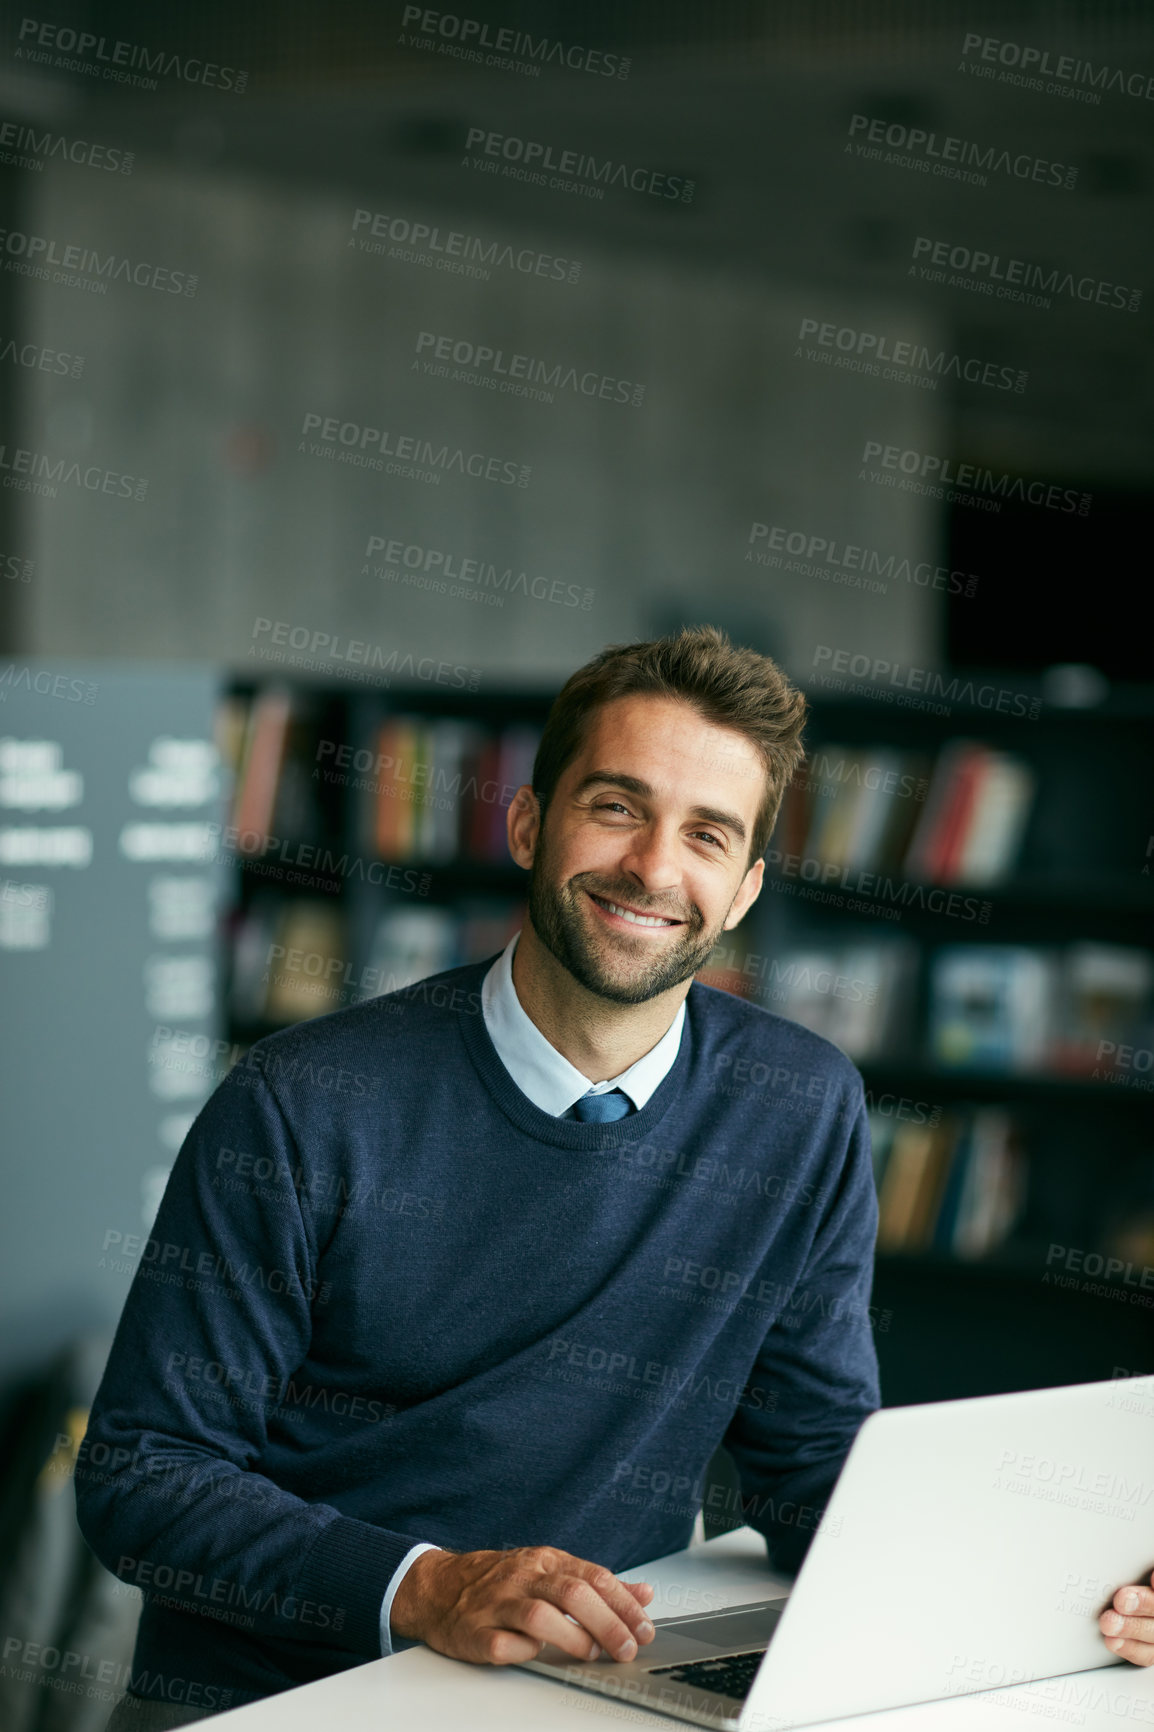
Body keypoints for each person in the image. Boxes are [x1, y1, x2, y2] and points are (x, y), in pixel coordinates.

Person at [77, 624, 884, 1730]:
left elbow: (812, 1453)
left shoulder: (799, 1103)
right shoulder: (301, 1101)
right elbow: (144, 1475)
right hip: (286, 1697)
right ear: (525, 823)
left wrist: (1052, 1587)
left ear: (742, 890)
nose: (653, 867)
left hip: (589, 1695)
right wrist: (426, 1587)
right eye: (615, 807)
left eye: (705, 834)